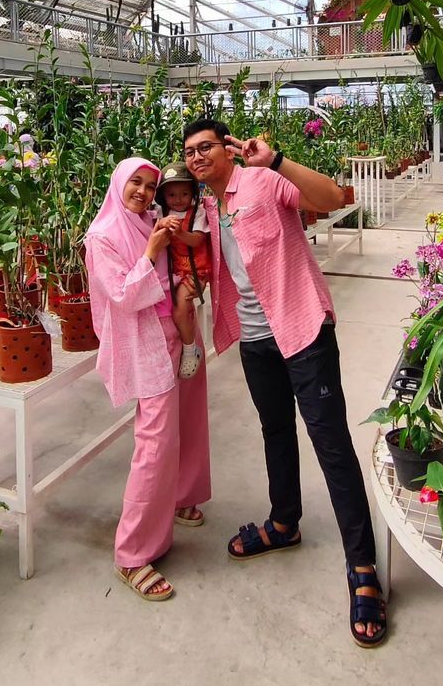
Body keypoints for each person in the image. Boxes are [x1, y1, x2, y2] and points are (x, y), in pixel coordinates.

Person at [183, 119, 387, 648]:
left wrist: (274, 160)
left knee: (331, 443)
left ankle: (362, 567)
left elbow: (335, 197)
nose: (197, 157)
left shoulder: (262, 180)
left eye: (206, 147)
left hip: (301, 328)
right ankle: (283, 522)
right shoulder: (208, 207)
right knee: (275, 430)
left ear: (227, 148)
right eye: (189, 152)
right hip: (255, 340)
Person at [83, 157, 211, 603]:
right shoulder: (103, 237)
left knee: (190, 417)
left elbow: (185, 255)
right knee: (155, 437)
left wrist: (186, 285)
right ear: (118, 182)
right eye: (134, 182)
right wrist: (152, 251)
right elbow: (122, 295)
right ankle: (132, 553)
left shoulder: (151, 219)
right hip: (145, 340)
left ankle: (181, 495)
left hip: (178, 328)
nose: (141, 191)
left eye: (149, 184)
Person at [154, 161, 209, 380]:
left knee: (179, 309)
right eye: (172, 195)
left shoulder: (198, 212)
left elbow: (197, 241)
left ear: (193, 193)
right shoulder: (162, 213)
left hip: (196, 271)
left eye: (185, 193)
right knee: (175, 310)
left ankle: (190, 348)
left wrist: (178, 233)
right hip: (175, 271)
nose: (178, 200)